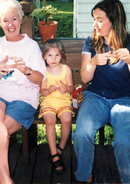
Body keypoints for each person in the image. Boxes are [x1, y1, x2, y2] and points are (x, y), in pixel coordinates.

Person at [72, 0, 130, 183]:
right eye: (94, 19)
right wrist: (93, 62)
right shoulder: (91, 42)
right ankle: (83, 176)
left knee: (124, 142)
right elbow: (85, 78)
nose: (94, 24)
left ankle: (126, 180)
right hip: (96, 97)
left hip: (127, 99)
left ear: (113, 20)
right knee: (82, 133)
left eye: (99, 19)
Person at [0, 0, 46, 184]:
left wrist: (26, 70)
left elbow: (39, 79)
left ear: (21, 19)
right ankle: (6, 180)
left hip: (23, 98)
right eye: (5, 20)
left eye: (14, 19)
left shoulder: (31, 46)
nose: (10, 24)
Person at [39, 39, 74, 174]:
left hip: (63, 101)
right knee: (50, 120)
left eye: (57, 55)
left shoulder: (66, 69)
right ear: (44, 57)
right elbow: (42, 91)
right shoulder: (44, 71)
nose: (53, 59)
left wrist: (66, 88)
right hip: (48, 101)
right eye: (50, 55)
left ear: (62, 55)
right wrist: (48, 90)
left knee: (66, 119)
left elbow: (71, 88)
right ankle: (54, 155)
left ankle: (61, 147)